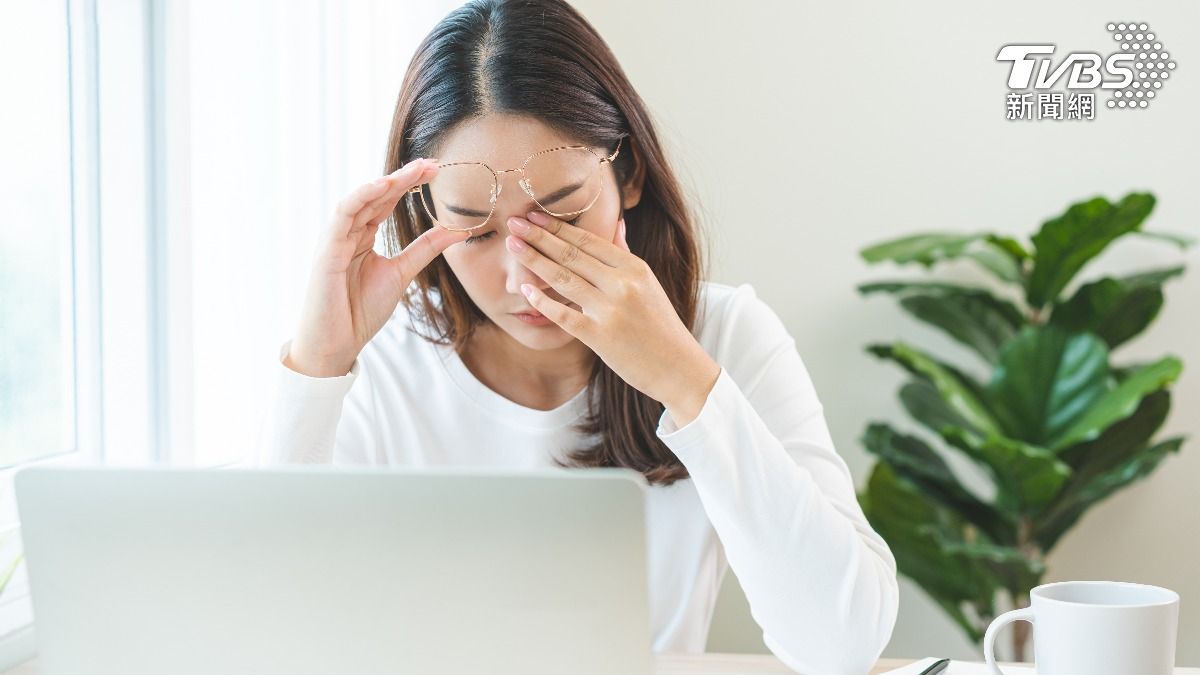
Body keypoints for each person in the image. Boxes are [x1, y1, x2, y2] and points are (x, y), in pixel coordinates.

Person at [256, 0, 899, 672]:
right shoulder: (383, 371)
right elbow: (265, 633)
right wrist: (318, 367)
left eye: (560, 208)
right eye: (473, 226)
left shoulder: (722, 337)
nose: (520, 273)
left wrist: (685, 379)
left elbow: (842, 644)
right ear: (424, 213)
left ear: (628, 175)